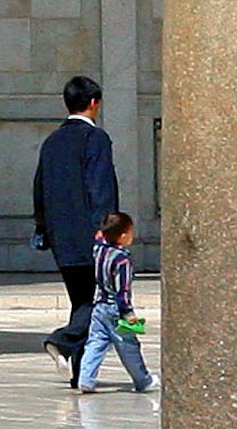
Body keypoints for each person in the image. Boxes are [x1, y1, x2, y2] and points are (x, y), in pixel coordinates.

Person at [29, 74, 119, 376]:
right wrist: (107, 227)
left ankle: (81, 372)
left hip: (60, 238)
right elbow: (100, 186)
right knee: (101, 301)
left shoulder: (52, 141)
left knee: (81, 301)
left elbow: (39, 188)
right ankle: (62, 341)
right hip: (91, 236)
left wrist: (43, 227)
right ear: (94, 103)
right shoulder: (95, 139)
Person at [72, 210, 152, 394]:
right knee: (129, 345)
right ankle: (143, 380)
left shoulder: (99, 251)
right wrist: (128, 312)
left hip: (99, 306)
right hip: (116, 309)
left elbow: (99, 238)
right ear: (123, 236)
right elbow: (122, 290)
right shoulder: (122, 260)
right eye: (131, 232)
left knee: (95, 343)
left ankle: (86, 379)